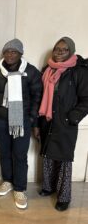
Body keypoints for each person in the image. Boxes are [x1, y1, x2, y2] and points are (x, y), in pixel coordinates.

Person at [0, 39, 42, 209]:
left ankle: (20, 189)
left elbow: (37, 98)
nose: (9, 55)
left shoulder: (31, 72)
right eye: (7, 51)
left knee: (20, 156)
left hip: (21, 122)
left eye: (14, 52)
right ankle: (7, 181)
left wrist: (31, 119)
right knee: (5, 153)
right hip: (0, 121)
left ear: (21, 54)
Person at [38, 37, 88, 211]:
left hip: (66, 122)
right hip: (47, 120)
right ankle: (48, 187)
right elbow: (40, 96)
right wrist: (38, 123)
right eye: (57, 49)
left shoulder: (78, 71)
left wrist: (72, 117)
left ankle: (64, 196)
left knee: (64, 159)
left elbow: (86, 99)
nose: (59, 52)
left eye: (64, 49)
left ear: (71, 51)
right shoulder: (47, 69)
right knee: (48, 155)